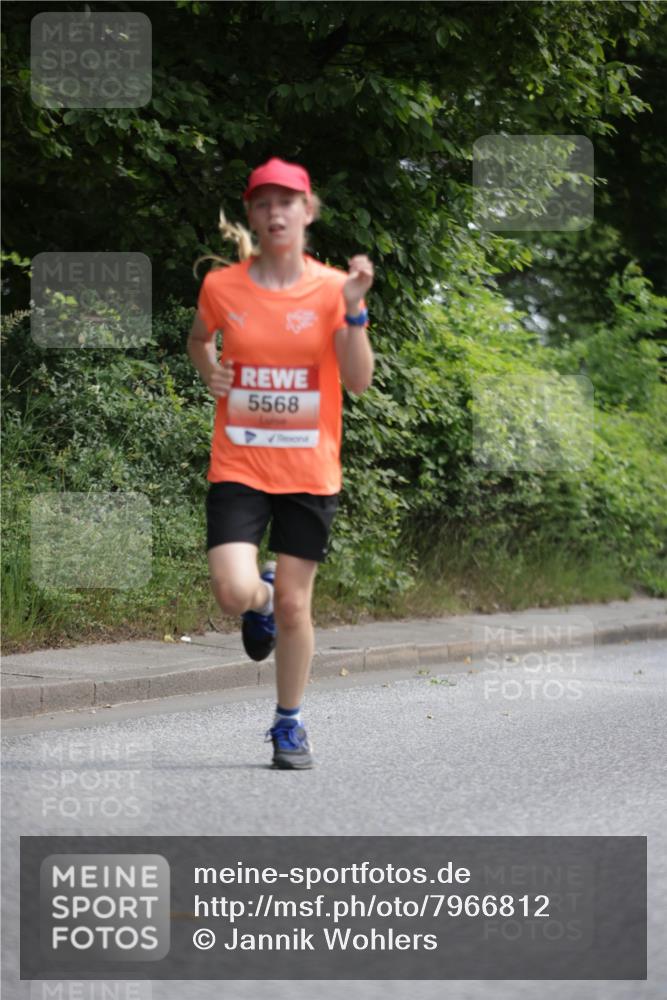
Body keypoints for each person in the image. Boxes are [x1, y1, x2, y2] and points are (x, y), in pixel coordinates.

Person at [187, 156, 374, 770]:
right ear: (252, 215)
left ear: (307, 212)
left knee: (300, 605)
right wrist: (208, 366)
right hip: (239, 462)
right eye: (263, 202)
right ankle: (258, 599)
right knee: (231, 589)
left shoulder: (329, 290)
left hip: (309, 470)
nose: (275, 212)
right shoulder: (223, 287)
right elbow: (197, 338)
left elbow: (358, 380)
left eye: (286, 201)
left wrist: (353, 310)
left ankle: (288, 723)